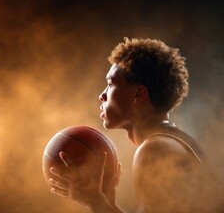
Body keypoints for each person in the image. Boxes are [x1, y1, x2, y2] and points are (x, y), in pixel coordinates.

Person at [48, 38, 223, 212]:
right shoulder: (177, 141)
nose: (102, 95)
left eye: (110, 84)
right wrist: (109, 206)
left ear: (139, 94)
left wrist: (95, 203)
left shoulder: (155, 149)